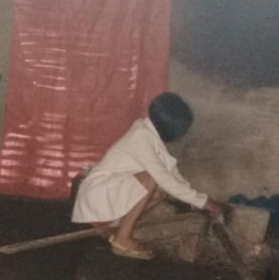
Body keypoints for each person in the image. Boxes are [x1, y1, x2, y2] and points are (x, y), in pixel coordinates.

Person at [71, 92, 222, 260]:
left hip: (105, 195)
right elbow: (163, 177)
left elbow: (172, 174)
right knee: (152, 179)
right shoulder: (141, 136)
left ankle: (118, 227)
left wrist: (199, 201)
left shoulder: (150, 135)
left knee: (160, 192)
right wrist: (203, 202)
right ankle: (122, 239)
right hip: (97, 195)